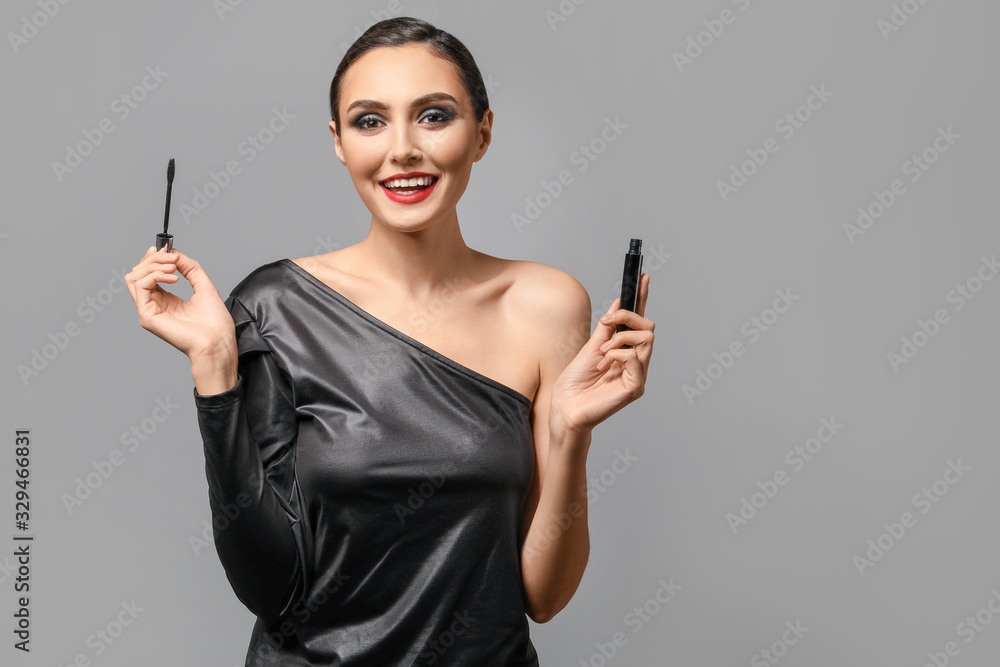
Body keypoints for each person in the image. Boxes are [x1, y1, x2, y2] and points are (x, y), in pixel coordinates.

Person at [125, 16, 654, 666]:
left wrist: (570, 432)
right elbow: (269, 587)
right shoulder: (274, 308)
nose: (402, 149)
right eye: (370, 121)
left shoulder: (547, 305)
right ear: (340, 143)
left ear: (482, 132)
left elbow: (543, 596)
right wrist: (213, 368)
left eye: (434, 115)